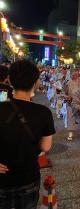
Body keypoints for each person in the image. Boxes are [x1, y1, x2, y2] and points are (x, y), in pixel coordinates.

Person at [0, 60, 55, 209]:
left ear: (10, 80)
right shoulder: (44, 113)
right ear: (36, 82)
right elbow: (45, 146)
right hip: (28, 177)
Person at [64, 69, 80, 141]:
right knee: (70, 117)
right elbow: (64, 92)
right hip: (70, 102)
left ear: (78, 75)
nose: (74, 76)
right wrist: (66, 97)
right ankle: (70, 132)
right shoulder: (68, 82)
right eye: (72, 75)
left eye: (75, 75)